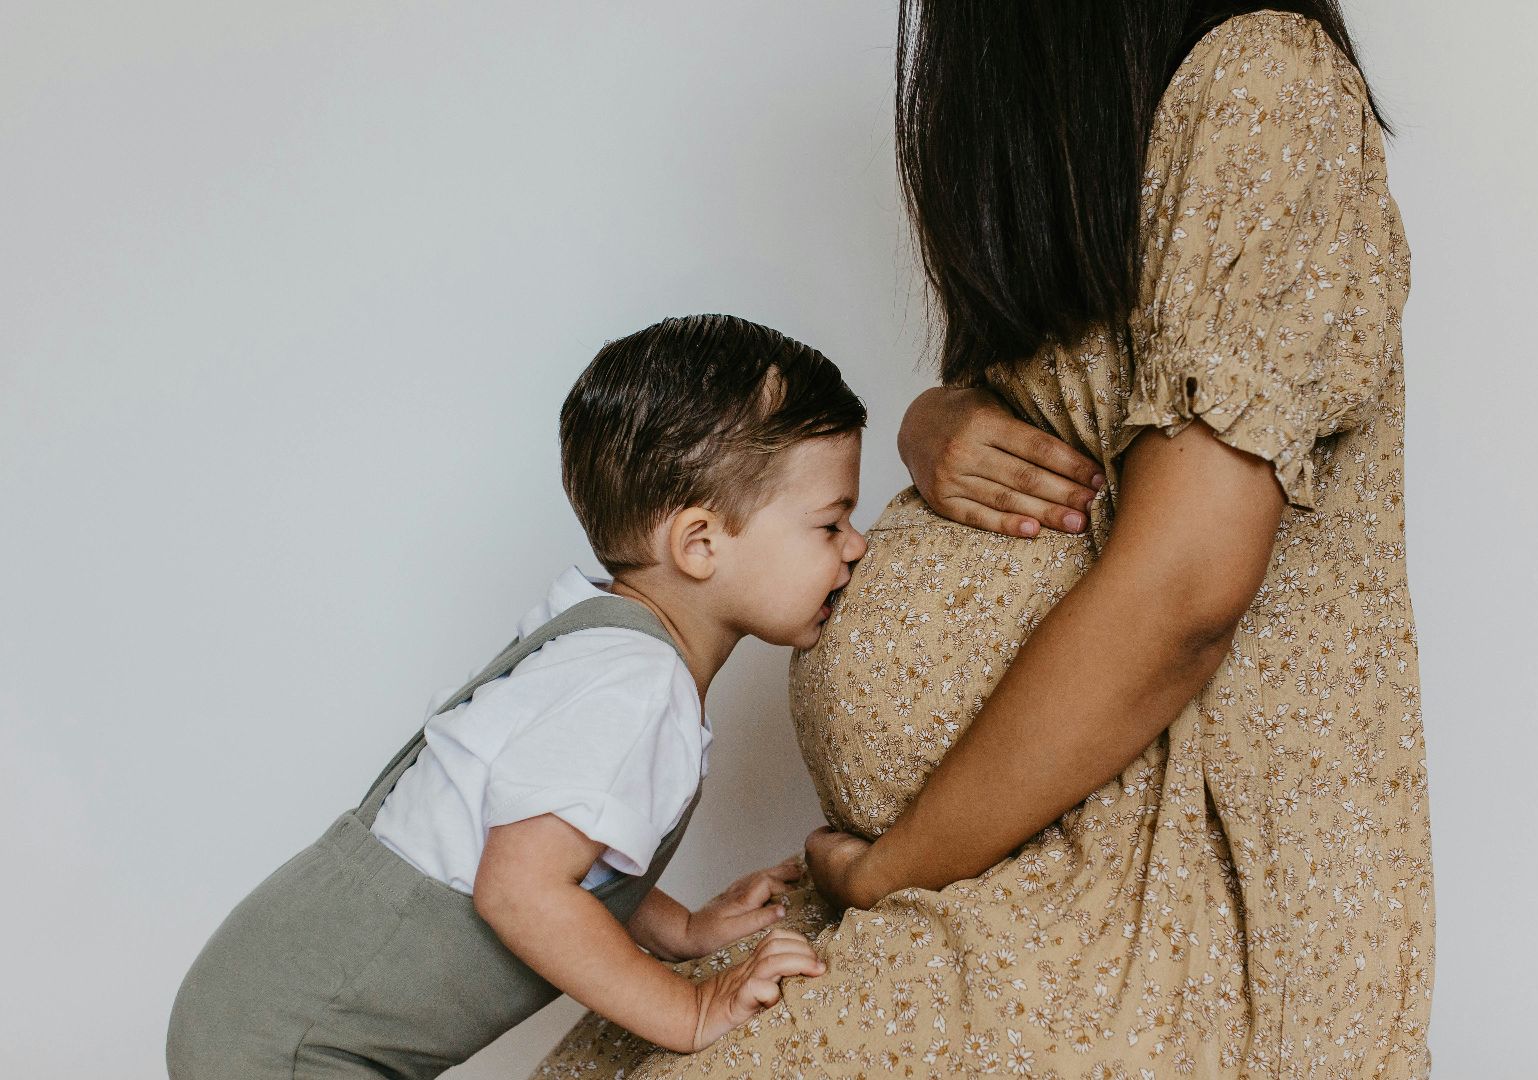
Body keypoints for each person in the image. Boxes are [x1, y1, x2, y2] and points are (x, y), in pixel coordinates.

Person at [535, 5, 1431, 1078]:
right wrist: (936, 421)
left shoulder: (1263, 81)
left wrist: (897, 865)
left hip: (1146, 899)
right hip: (985, 867)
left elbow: (1186, 591)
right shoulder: (1102, 135)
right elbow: (1083, 411)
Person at [167, 314, 869, 1079]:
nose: (856, 545)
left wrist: (683, 929)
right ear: (700, 544)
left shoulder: (598, 639)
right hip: (297, 1046)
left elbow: (561, 851)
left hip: (264, 1002)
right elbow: (521, 888)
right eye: (832, 522)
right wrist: (690, 1007)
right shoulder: (635, 687)